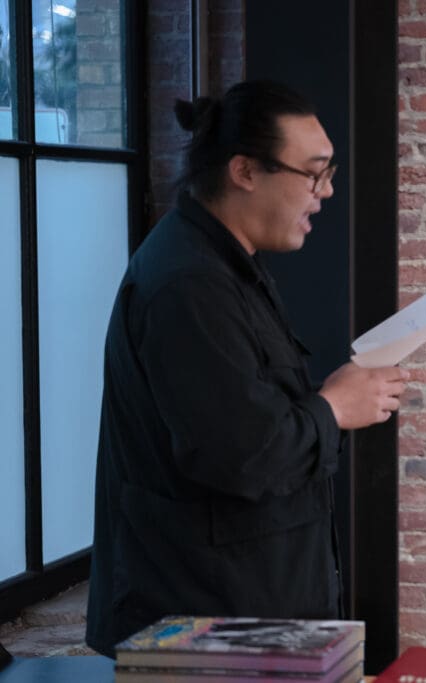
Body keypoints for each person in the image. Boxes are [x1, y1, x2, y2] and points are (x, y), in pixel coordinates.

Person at [85, 80, 407, 657]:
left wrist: (331, 403)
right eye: (314, 174)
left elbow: (246, 413)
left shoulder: (222, 264)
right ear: (245, 171)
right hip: (206, 618)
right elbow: (239, 455)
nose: (327, 192)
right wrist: (333, 408)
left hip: (242, 602)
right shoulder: (188, 285)